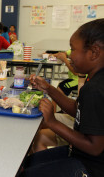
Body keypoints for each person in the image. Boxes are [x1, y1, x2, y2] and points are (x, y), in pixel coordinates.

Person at [21, 19, 104, 177]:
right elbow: (77, 111)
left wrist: (52, 122)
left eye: (73, 50)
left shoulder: (95, 89)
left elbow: (94, 147)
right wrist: (49, 89)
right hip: (79, 154)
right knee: (27, 163)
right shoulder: (94, 80)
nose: (70, 56)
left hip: (90, 167)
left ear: (94, 52)